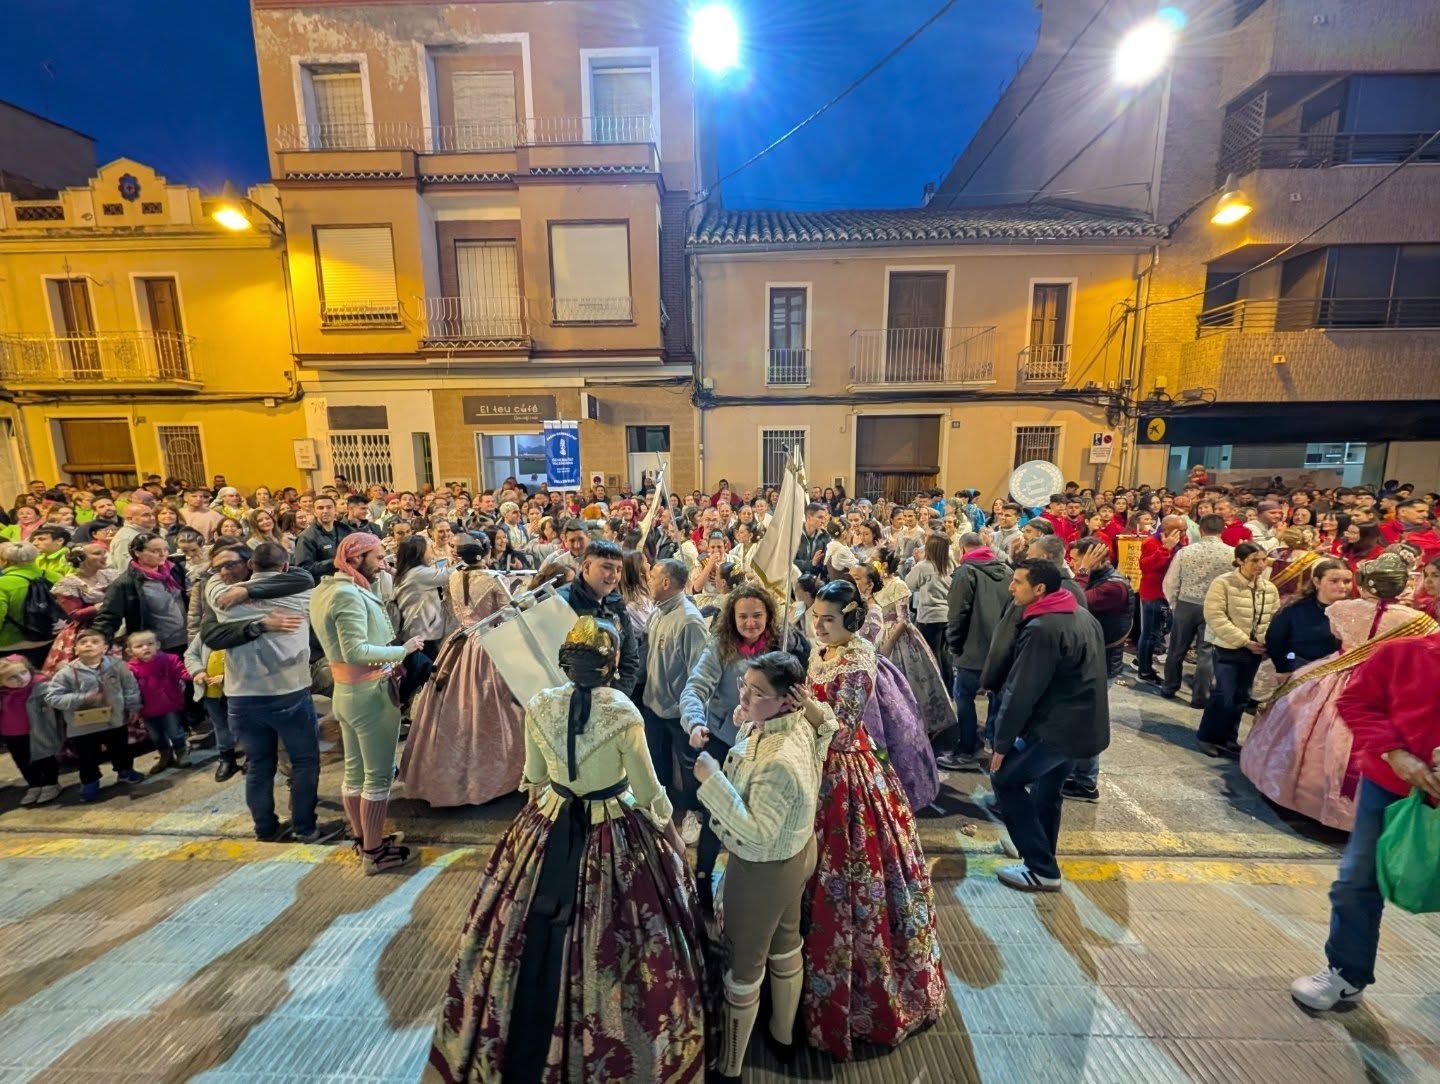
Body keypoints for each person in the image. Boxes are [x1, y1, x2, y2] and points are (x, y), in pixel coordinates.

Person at [426, 617, 707, 1083]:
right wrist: (670, 834)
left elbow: (535, 777)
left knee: (514, 927)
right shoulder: (623, 712)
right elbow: (646, 787)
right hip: (613, 826)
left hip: (550, 822)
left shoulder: (540, 704)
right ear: (612, 663)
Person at [803, 578, 945, 1059]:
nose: (819, 627)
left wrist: (799, 707)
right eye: (816, 617)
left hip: (845, 774)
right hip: (813, 759)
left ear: (851, 619)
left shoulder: (859, 660)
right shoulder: (824, 651)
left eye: (828, 619)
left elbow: (843, 731)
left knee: (852, 878)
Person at [695, 651, 835, 1079]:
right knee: (786, 939)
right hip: (798, 854)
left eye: (756, 692)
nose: (744, 695)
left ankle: (732, 1064)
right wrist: (750, 711)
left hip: (762, 869)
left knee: (744, 963)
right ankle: (783, 1034)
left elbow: (755, 833)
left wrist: (712, 779)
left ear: (784, 700)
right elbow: (828, 722)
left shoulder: (779, 761)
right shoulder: (802, 723)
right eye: (745, 685)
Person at [1290, 633, 1440, 1012]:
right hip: (1390, 789)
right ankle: (1346, 973)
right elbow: (1357, 701)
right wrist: (1395, 753)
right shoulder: (1403, 653)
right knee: (1358, 880)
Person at [1241, 554, 1437, 829]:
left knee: (1310, 733)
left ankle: (1295, 792)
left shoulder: (1343, 609)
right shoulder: (1419, 621)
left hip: (1332, 675)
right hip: (1383, 683)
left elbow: (1339, 636)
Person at [679, 583, 806, 910]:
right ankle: (704, 877)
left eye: (758, 615)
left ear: (769, 616)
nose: (751, 623)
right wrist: (695, 723)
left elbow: (796, 691)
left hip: (769, 741)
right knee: (717, 813)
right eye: (743, 616)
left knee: (761, 813)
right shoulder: (720, 648)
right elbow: (695, 690)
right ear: (731, 618)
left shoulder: (784, 642)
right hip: (724, 739)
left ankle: (751, 879)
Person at [988, 559, 1110, 891]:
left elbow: (1020, 691)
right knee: (1047, 791)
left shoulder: (1042, 629)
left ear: (1039, 589)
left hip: (1057, 730)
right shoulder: (1080, 615)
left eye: (1017, 582)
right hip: (1083, 726)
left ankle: (1041, 867)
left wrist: (1000, 745)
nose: (1011, 587)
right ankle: (1039, 850)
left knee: (1005, 780)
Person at [201, 542, 335, 842]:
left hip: (242, 695)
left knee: (260, 764)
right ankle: (305, 828)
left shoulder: (222, 596)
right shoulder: (299, 593)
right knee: (304, 762)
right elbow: (304, 577)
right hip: (288, 691)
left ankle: (265, 828)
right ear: (284, 566)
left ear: (250, 566)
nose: (224, 571)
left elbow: (209, 629)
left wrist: (245, 592)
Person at [311, 533, 425, 870]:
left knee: (356, 774)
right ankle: (375, 853)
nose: (383, 564)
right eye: (377, 558)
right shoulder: (346, 595)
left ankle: (365, 840)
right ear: (355, 557)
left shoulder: (327, 589)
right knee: (377, 777)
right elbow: (357, 652)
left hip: (348, 694)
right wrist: (404, 649)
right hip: (369, 696)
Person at [401, 539, 528, 807]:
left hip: (460, 640)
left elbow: (452, 609)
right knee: (494, 705)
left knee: (456, 706)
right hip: (488, 643)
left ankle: (451, 774)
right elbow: (509, 611)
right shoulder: (493, 578)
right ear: (485, 554)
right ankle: (496, 775)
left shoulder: (454, 577)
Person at [938, 530, 1013, 771]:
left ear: (962, 550)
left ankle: (966, 750)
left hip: (972, 651)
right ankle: (992, 744)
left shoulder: (966, 572)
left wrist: (954, 646)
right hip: (1002, 652)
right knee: (996, 699)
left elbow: (957, 615)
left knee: (965, 699)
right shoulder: (1008, 572)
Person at [1197, 541, 1280, 758]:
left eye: (1263, 560)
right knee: (1223, 694)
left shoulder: (1268, 588)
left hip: (1255, 651)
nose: (1261, 565)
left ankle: (1229, 737)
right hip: (1228, 647)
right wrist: (1244, 640)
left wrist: (1264, 641)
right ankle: (1208, 737)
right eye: (1255, 560)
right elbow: (1215, 616)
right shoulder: (1223, 583)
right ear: (1240, 561)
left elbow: (1273, 616)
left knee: (1242, 696)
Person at [640, 558, 709, 818]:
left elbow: (699, 674)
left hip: (679, 712)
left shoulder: (689, 621)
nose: (648, 582)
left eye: (652, 577)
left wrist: (693, 715)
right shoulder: (658, 610)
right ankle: (663, 808)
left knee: (690, 766)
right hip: (654, 705)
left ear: (666, 582)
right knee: (657, 762)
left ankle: (694, 813)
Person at [44, 628, 144, 802]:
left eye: (94, 642)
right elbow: (52, 697)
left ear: (105, 647)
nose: (88, 645)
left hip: (115, 719)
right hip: (83, 726)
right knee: (87, 757)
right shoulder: (66, 673)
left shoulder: (117, 665)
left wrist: (133, 707)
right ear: (75, 649)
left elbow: (130, 686)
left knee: (121, 748)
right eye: (83, 643)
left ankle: (125, 771)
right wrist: (83, 698)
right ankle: (90, 782)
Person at [866, 554, 957, 742]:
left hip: (899, 640)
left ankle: (919, 726)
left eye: (873, 559)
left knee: (909, 683)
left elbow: (904, 620)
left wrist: (889, 643)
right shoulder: (873, 585)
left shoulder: (898, 585)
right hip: (877, 633)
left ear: (883, 564)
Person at [1160, 514, 1233, 705]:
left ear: (1200, 530)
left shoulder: (1186, 552)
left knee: (1176, 649)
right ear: (1222, 530)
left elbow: (1171, 581)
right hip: (1216, 607)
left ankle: (1169, 687)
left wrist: (1174, 604)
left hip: (1186, 603)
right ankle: (1200, 696)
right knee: (1206, 652)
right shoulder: (1232, 554)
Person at [556, 539, 639, 697]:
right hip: (567, 699)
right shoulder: (560, 602)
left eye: (619, 569)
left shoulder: (616, 602)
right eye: (607, 567)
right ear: (587, 567)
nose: (613, 576)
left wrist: (618, 695)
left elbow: (630, 657)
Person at [92, 533, 190, 658]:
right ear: (138, 552)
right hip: (155, 648)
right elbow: (108, 618)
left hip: (187, 641)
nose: (163, 554)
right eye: (155, 551)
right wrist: (95, 643)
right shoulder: (126, 583)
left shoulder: (174, 570)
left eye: (165, 549)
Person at [0, 654, 65, 805]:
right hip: (13, 734)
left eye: (23, 673)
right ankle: (35, 785)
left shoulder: (41, 686)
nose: (21, 679)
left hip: (38, 730)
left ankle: (51, 784)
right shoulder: (3, 694)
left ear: (29, 670)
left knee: (45, 757)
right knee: (23, 761)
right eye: (12, 677)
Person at [125, 630, 190, 774]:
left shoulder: (170, 659)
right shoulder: (130, 669)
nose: (145, 648)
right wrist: (133, 708)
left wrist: (195, 675)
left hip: (169, 705)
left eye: (150, 644)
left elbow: (182, 671)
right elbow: (129, 689)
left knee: (175, 732)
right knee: (156, 735)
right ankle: (165, 756)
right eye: (139, 646)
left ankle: (181, 752)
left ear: (157, 645)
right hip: (147, 709)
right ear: (130, 651)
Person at [1135, 515, 1185, 683]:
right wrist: (1165, 549)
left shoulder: (1182, 542)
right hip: (1154, 593)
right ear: (1166, 530)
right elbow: (1146, 567)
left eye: (1184, 530)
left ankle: (1141, 658)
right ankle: (1144, 671)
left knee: (1161, 631)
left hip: (1170, 594)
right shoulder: (1150, 542)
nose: (1183, 533)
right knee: (1150, 633)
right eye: (1179, 530)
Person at [392, 534, 455, 662]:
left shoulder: (408, 570)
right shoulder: (418, 574)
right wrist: (469, 560)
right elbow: (448, 574)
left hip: (416, 633)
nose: (431, 550)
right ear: (420, 553)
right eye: (428, 548)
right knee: (423, 675)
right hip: (422, 637)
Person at [0, 542, 61, 666]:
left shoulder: (3, 584)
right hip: (49, 642)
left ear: (5, 561)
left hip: (9, 648)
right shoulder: (56, 577)